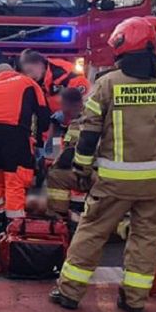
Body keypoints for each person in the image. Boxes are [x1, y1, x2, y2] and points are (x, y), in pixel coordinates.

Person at [50, 16, 156, 312]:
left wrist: (81, 168)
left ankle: (69, 292)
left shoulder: (107, 84)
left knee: (92, 232)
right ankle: (134, 300)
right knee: (145, 238)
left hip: (113, 182)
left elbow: (89, 131)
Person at [0, 63, 48, 231]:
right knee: (14, 179)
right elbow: (43, 114)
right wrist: (39, 142)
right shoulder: (27, 82)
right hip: (14, 132)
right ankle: (14, 225)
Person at [44, 88, 88, 221]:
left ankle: (60, 216)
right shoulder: (86, 116)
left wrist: (54, 163)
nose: (62, 109)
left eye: (63, 105)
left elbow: (70, 153)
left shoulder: (80, 121)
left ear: (72, 104)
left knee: (56, 176)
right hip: (103, 170)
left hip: (94, 173)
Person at [19, 50, 90, 111]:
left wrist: (66, 113)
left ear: (40, 65)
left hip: (71, 117)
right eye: (26, 72)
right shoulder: (34, 78)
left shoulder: (64, 73)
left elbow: (82, 93)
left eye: (30, 71)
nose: (29, 76)